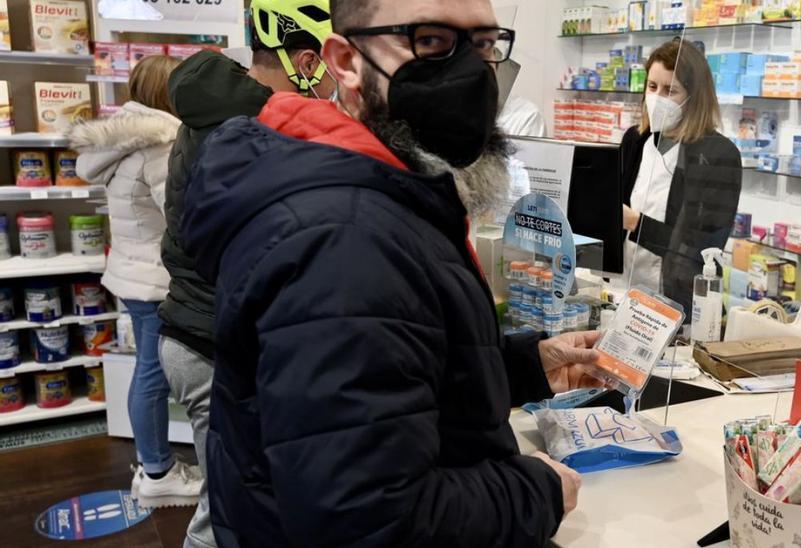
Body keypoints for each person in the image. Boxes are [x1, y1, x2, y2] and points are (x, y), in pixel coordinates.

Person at [180, 0, 603, 545]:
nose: (471, 73)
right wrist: (536, 490)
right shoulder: (346, 238)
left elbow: (391, 363)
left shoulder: (381, 192)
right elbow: (367, 520)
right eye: (430, 41)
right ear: (345, 62)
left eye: (484, 45)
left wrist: (522, 366)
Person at [156, 1, 337, 546]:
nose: (341, 81)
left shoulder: (229, 113)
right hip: (213, 343)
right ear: (307, 60)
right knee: (224, 519)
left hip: (204, 335)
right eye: (338, 64)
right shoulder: (249, 131)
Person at [68, 55, 200, 508]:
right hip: (156, 279)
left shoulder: (119, 143)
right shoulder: (161, 143)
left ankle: (153, 467)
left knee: (148, 372)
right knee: (153, 376)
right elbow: (180, 218)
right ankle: (158, 472)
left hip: (132, 273)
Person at [620, 39, 742, 312]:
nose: (657, 98)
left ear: (694, 97)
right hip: (626, 288)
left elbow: (698, 248)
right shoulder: (636, 140)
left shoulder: (716, 154)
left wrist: (634, 222)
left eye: (670, 91)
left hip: (681, 303)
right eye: (652, 87)